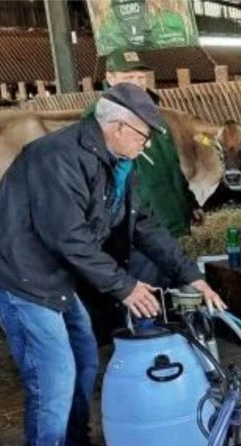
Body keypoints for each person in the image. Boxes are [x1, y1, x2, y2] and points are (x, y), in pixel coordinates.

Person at [0, 83, 226, 446]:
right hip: (15, 273)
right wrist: (124, 287)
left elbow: (145, 226)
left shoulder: (121, 163)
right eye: (143, 133)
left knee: (84, 355)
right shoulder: (58, 158)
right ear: (118, 126)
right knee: (53, 368)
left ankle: (74, 444)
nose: (147, 141)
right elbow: (69, 238)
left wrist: (190, 274)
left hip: (51, 272)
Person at [86, 51, 204, 288]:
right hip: (140, 227)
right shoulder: (100, 118)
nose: (138, 83)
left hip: (170, 217)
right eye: (129, 77)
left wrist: (188, 202)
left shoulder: (152, 112)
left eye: (141, 77)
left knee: (175, 287)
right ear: (110, 78)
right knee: (150, 291)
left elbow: (169, 163)